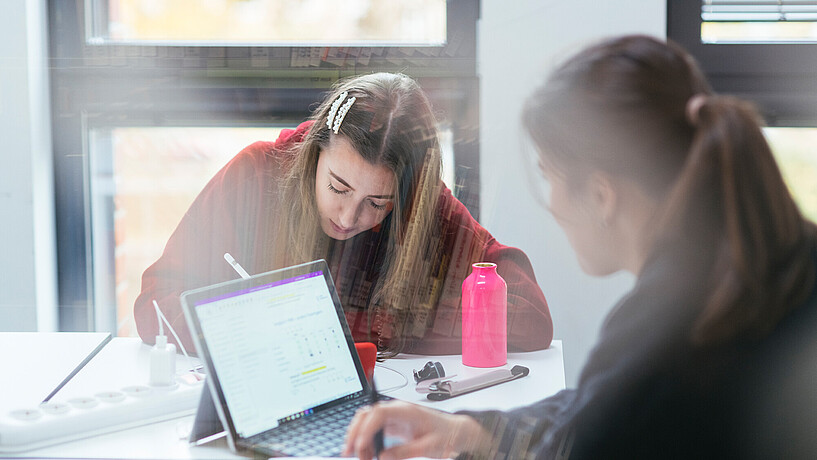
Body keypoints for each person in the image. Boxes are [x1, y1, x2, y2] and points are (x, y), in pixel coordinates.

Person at [343, 36, 817, 459]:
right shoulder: (760, 267)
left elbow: (599, 426)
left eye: (549, 177)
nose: (550, 204)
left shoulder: (670, 335)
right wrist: (465, 430)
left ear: (600, 196)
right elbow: (593, 408)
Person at [134, 72, 553, 356]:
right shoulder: (256, 176)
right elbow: (155, 303)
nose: (351, 217)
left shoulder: (422, 208)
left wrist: (385, 327)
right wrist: (252, 333)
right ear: (315, 151)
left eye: (377, 203)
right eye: (338, 187)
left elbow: (530, 318)